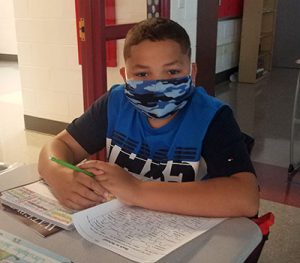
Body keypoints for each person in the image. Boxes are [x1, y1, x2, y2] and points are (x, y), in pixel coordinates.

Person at [38, 17, 259, 217]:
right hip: (121, 226)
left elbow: (246, 198)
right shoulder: (115, 103)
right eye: (143, 74)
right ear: (125, 76)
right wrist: (58, 174)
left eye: (172, 72)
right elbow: (59, 145)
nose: (157, 85)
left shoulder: (212, 117)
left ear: (191, 73)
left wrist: (137, 190)